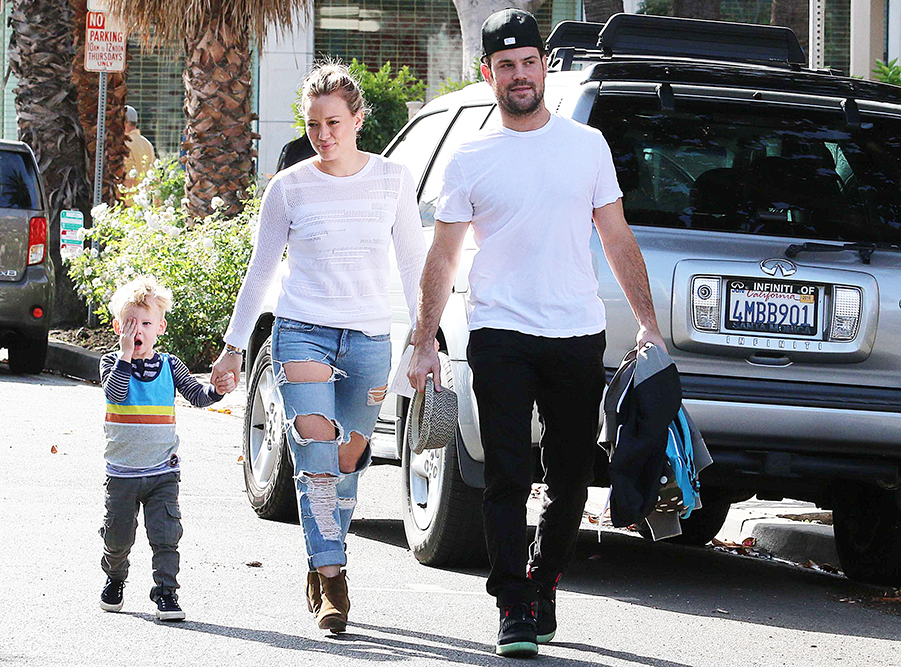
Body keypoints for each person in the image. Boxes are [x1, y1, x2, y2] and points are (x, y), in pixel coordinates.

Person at [406, 9, 666, 658]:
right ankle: (513, 604)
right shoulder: (471, 158)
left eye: (529, 62)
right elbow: (442, 257)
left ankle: (544, 579)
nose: (519, 75)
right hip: (499, 332)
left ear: (543, 66)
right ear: (489, 72)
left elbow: (617, 237)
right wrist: (424, 338)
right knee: (506, 474)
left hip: (576, 332)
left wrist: (648, 324)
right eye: (506, 65)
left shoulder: (586, 148)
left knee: (573, 477)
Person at [210, 63, 426, 633]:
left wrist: (425, 339)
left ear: (358, 119)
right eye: (312, 125)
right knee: (314, 454)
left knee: (349, 458)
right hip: (302, 328)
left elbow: (412, 264)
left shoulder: (393, 181)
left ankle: (319, 551)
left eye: (334, 122)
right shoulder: (289, 187)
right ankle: (333, 576)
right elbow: (261, 273)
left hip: (370, 337)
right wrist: (234, 347)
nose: (323, 134)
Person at [98, 275, 236, 621]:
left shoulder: (169, 366)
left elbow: (198, 396)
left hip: (162, 471)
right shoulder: (111, 363)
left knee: (165, 536)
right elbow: (114, 393)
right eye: (131, 324)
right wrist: (126, 356)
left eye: (146, 323)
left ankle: (166, 594)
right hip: (123, 472)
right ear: (118, 327)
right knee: (118, 538)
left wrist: (218, 390)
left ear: (160, 327)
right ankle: (115, 579)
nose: (138, 330)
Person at [122, 105, 156, 195]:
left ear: (124, 122)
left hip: (128, 203)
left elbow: (128, 180)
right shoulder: (147, 143)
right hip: (145, 201)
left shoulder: (125, 144)